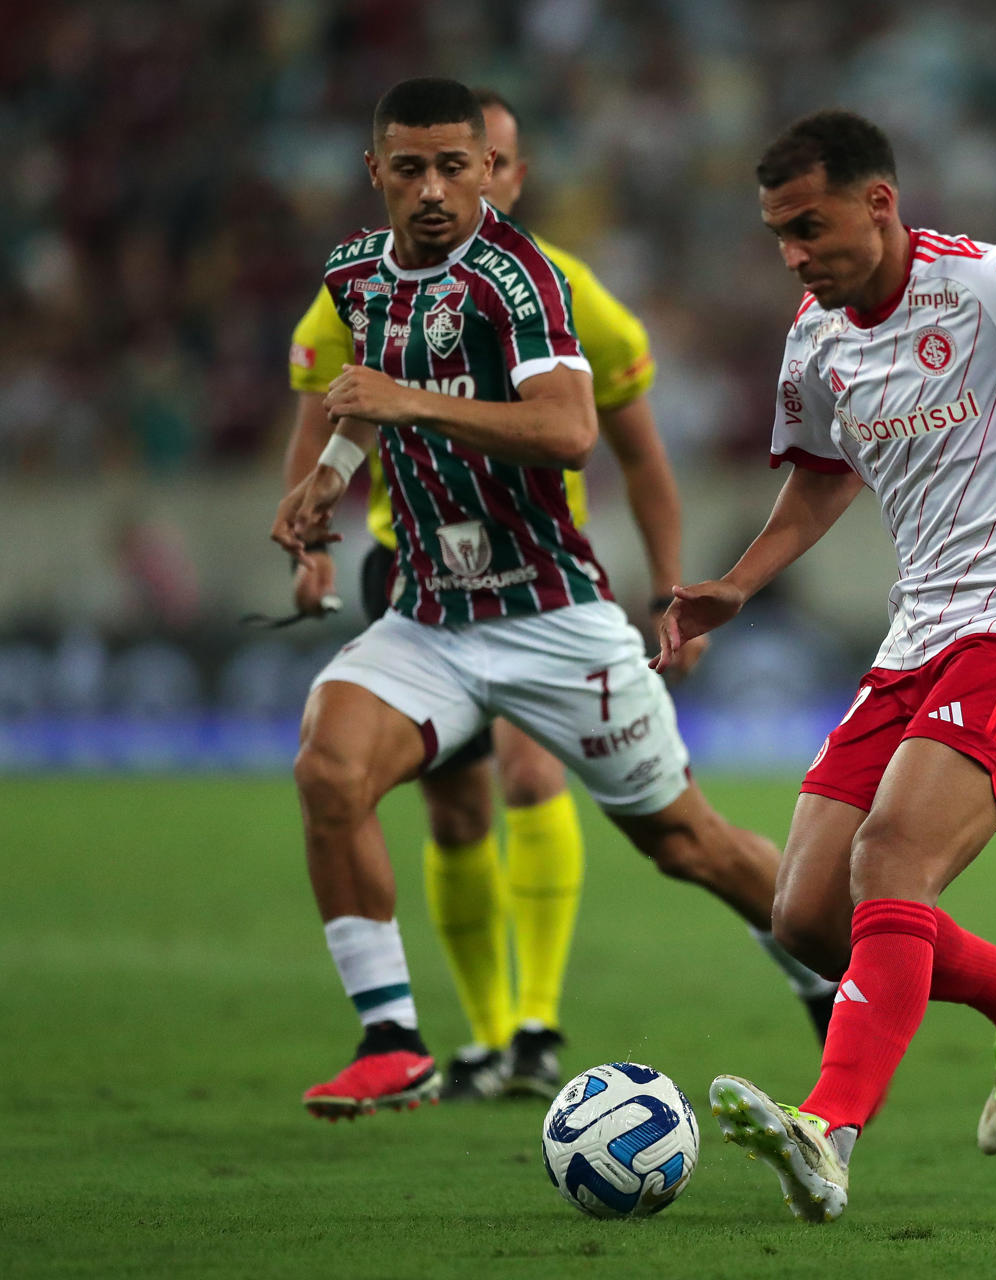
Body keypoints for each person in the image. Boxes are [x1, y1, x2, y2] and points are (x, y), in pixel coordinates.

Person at [651, 110, 996, 1222]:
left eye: (810, 227)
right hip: (916, 639)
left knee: (892, 855)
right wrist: (738, 584)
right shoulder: (816, 338)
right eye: (778, 236)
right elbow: (819, 478)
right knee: (806, 913)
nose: (795, 255)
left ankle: (830, 1127)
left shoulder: (991, 281)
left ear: (881, 203)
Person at [274, 77, 824, 1121]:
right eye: (411, 167)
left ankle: (826, 978)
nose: (433, 189)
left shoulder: (520, 279)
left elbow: (572, 430)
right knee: (329, 764)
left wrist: (405, 401)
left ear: (490, 170)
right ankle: (392, 1035)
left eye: (454, 166)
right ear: (375, 172)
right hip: (431, 617)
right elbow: (363, 399)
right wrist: (329, 480)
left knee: (686, 843)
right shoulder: (352, 274)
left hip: (551, 617)